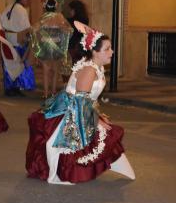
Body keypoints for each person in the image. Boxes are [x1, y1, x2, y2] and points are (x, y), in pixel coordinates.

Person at [25, 22, 135, 184]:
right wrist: (97, 120)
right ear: (94, 52)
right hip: (71, 109)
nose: (112, 52)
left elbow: (90, 99)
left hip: (81, 107)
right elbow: (81, 100)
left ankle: (119, 166)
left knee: (105, 133)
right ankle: (59, 175)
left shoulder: (97, 67)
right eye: (107, 49)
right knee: (68, 142)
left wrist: (98, 115)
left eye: (110, 48)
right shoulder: (89, 70)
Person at [30, 0, 72, 98]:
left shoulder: (43, 18)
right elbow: (68, 30)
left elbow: (34, 29)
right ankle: (53, 92)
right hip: (56, 47)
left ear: (45, 6)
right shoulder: (60, 17)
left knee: (46, 71)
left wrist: (42, 37)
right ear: (55, 6)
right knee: (55, 71)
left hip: (44, 47)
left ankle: (45, 93)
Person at [0, 0, 35, 96]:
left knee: (8, 64)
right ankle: (16, 86)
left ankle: (10, 88)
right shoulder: (22, 10)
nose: (28, 2)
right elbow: (26, 27)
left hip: (7, 38)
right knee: (19, 64)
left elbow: (1, 20)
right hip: (18, 40)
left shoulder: (9, 6)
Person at [66, 0, 89, 64]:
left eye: (71, 10)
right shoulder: (85, 19)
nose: (69, 12)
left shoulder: (71, 21)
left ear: (74, 10)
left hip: (72, 47)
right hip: (81, 46)